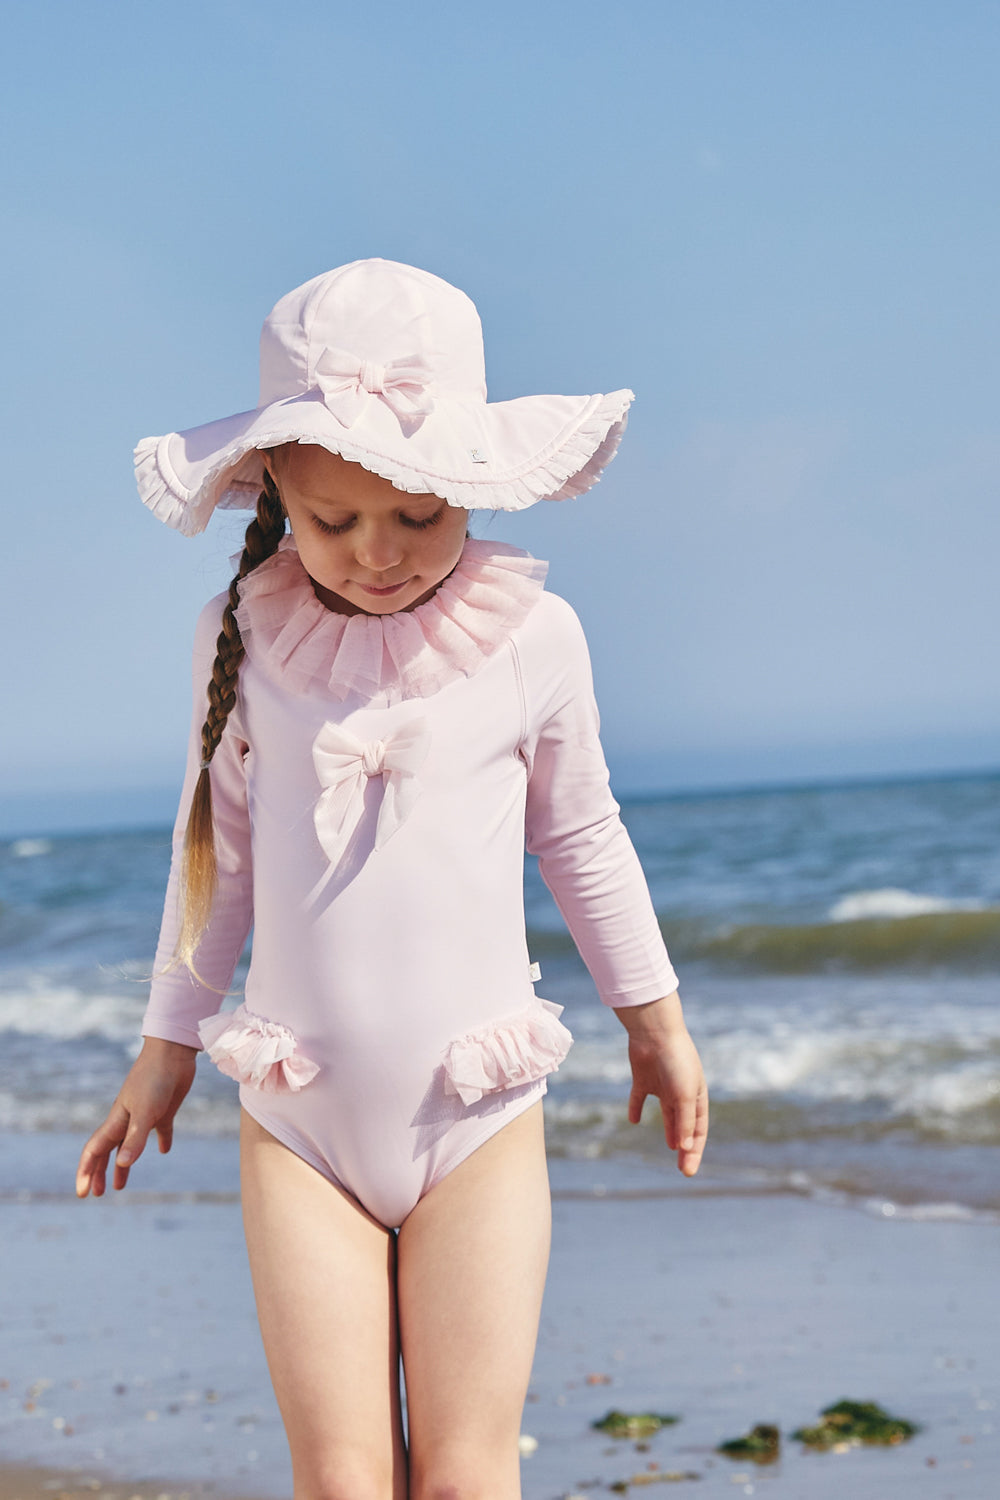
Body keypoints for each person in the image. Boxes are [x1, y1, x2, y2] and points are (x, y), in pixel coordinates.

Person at [76, 258, 708, 1500]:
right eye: (334, 521)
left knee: (467, 1476)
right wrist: (165, 1052)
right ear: (277, 498)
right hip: (298, 1121)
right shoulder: (240, 636)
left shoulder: (532, 635)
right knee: (345, 1478)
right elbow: (220, 858)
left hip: (471, 1120)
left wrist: (657, 1021)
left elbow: (582, 837)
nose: (376, 555)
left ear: (467, 484)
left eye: (416, 518)